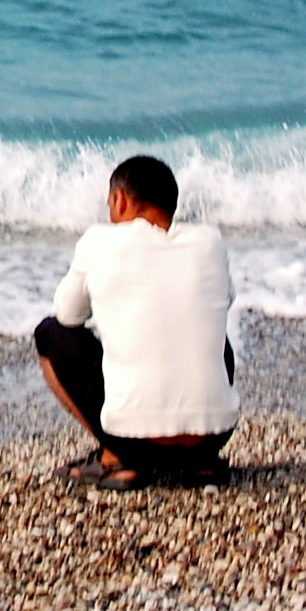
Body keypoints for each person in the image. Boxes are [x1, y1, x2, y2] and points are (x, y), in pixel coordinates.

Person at [34, 153, 238, 488]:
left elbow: (67, 315)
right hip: (213, 434)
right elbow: (225, 300)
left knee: (51, 333)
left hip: (133, 438)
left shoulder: (99, 241)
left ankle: (116, 458)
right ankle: (201, 463)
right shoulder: (210, 241)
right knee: (212, 335)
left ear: (120, 199)